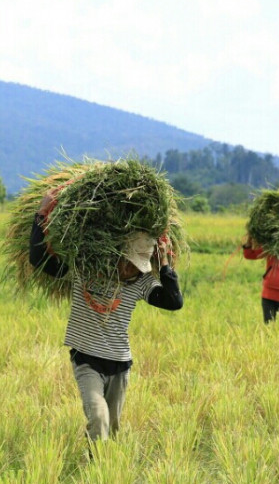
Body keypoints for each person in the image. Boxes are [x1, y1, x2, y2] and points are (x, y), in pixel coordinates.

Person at [29, 190, 183, 444]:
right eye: (130, 262)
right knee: (99, 417)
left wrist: (165, 264)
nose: (133, 268)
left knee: (113, 429)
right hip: (87, 360)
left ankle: (105, 470)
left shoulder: (141, 282)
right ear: (119, 256)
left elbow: (174, 302)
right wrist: (41, 215)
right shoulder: (86, 268)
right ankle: (95, 470)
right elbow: (38, 260)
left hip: (120, 365)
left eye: (138, 265)